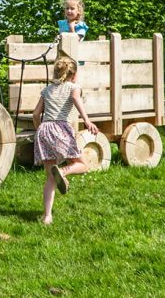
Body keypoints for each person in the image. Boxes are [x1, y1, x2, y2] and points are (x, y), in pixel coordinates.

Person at [32, 56, 98, 225]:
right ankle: (63, 171)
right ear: (73, 75)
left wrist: (39, 128)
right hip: (60, 128)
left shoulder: (46, 90)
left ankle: (47, 216)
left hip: (44, 130)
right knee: (83, 165)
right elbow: (76, 100)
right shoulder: (73, 87)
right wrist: (87, 120)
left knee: (50, 178)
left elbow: (35, 114)